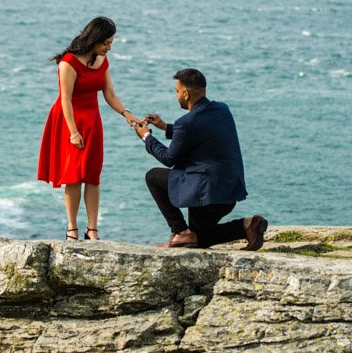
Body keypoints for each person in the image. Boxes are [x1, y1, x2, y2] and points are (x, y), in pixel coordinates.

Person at [134, 68, 267, 250]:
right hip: (229, 192)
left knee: (153, 177)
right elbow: (198, 133)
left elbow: (169, 158)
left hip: (207, 197)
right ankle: (248, 225)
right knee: (199, 239)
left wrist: (146, 137)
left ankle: (181, 231)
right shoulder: (222, 109)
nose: (176, 95)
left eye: (177, 91)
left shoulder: (186, 123)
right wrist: (165, 127)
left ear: (186, 94)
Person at [38, 16, 140, 241]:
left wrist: (126, 113)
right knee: (73, 175)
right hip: (69, 120)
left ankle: (92, 229)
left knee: (92, 175)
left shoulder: (102, 62)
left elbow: (109, 94)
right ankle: (72, 228)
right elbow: (65, 99)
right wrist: (73, 132)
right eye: (106, 43)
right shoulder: (68, 62)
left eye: (111, 43)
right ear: (94, 40)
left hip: (93, 121)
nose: (109, 47)